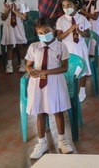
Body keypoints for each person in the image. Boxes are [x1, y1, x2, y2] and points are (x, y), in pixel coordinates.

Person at [25, 17, 74, 159]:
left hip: (55, 82)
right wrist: (30, 70)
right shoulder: (34, 47)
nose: (43, 34)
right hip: (37, 84)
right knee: (40, 113)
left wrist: (45, 72)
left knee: (57, 111)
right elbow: (29, 64)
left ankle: (62, 140)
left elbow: (64, 68)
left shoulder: (61, 46)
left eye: (46, 31)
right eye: (40, 32)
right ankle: (41, 143)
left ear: (53, 29)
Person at [56, 0, 91, 102]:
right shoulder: (61, 20)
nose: (66, 8)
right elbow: (59, 37)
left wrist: (79, 31)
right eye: (64, 6)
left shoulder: (82, 18)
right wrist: (70, 30)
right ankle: (67, 90)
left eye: (69, 5)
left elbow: (87, 34)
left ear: (75, 6)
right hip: (67, 48)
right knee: (68, 70)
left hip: (80, 47)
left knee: (82, 70)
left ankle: (82, 91)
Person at [0, 0, 29, 73]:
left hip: (18, 27)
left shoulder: (22, 3)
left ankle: (23, 64)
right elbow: (3, 18)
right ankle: (9, 65)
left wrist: (15, 11)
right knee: (9, 46)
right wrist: (7, 10)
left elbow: (25, 17)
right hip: (8, 27)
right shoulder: (5, 4)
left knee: (20, 46)